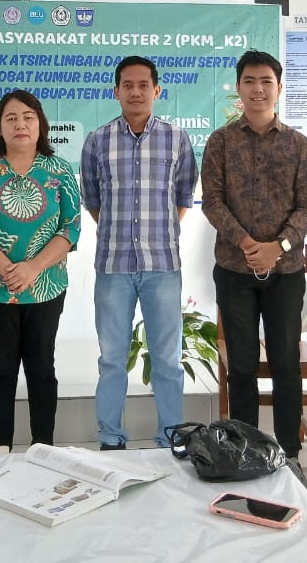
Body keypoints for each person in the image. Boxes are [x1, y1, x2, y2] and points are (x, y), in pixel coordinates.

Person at [200, 50, 307, 462]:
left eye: (266, 81)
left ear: (279, 88)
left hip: (285, 271)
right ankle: (244, 449)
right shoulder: (220, 141)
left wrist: (278, 246)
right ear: (238, 88)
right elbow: (212, 202)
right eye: (249, 80)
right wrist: (247, 244)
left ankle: (288, 451)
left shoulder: (298, 144)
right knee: (243, 366)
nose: (258, 89)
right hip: (234, 270)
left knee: (286, 363)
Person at [81, 56, 197, 449]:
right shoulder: (97, 141)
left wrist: (155, 232)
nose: (135, 91)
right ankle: (111, 437)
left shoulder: (177, 139)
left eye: (143, 85)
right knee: (112, 360)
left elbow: (183, 197)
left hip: (162, 265)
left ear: (156, 91)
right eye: (127, 85)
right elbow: (93, 201)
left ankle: (170, 438)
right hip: (113, 266)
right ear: (115, 92)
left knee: (166, 359)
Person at [0, 90, 80, 452]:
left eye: (28, 117)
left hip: (46, 286)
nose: (20, 124)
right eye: (11, 118)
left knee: (42, 368)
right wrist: (6, 269)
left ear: (40, 124)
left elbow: (71, 227)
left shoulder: (59, 170)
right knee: (0, 370)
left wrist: (32, 268)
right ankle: (0, 448)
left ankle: (42, 446)